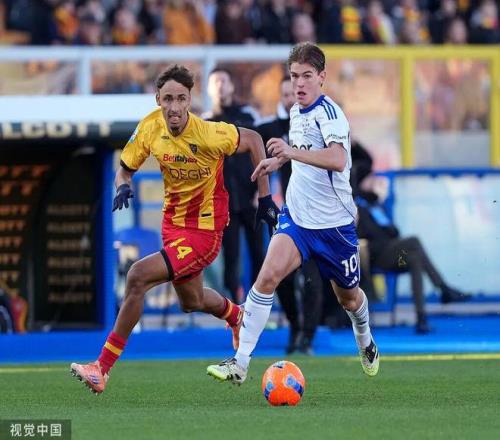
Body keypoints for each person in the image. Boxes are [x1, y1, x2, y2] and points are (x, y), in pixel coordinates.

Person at [70, 64, 279, 394]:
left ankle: (101, 368)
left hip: (205, 232)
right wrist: (122, 185)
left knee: (138, 276)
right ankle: (236, 316)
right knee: (191, 301)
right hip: (173, 227)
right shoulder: (150, 127)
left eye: (181, 98)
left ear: (189, 101)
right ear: (158, 100)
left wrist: (265, 197)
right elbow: (124, 169)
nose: (174, 107)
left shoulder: (209, 133)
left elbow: (254, 139)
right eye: (167, 99)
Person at [207, 42, 380, 384]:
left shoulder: (330, 114)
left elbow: (337, 159)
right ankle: (240, 364)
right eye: (294, 76)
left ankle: (365, 337)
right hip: (298, 219)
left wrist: (290, 153)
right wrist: (278, 161)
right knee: (266, 277)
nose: (299, 83)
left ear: (322, 77)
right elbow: (302, 154)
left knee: (348, 298)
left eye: (306, 76)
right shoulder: (297, 112)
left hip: (334, 225)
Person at [258, 75, 323, 355]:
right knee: (280, 276)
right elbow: (247, 144)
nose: (290, 98)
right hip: (289, 216)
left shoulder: (318, 124)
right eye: (285, 94)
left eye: (293, 93)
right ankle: (296, 327)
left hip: (317, 214)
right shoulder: (270, 129)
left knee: (312, 279)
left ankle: (308, 337)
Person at [356, 191, 471, 334]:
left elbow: (395, 232)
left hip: (394, 256)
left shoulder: (375, 208)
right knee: (414, 241)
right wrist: (382, 229)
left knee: (415, 259)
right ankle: (444, 289)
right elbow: (364, 234)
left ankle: (421, 319)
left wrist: (382, 221)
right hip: (376, 257)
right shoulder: (358, 208)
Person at [205, 67, 264, 303]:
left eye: (223, 80)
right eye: (215, 82)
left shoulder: (248, 116)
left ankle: (258, 307)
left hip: (251, 198)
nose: (220, 86)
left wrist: (262, 191)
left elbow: (263, 153)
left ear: (231, 85)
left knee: (259, 254)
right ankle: (234, 309)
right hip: (225, 202)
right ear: (209, 89)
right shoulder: (205, 123)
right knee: (231, 257)